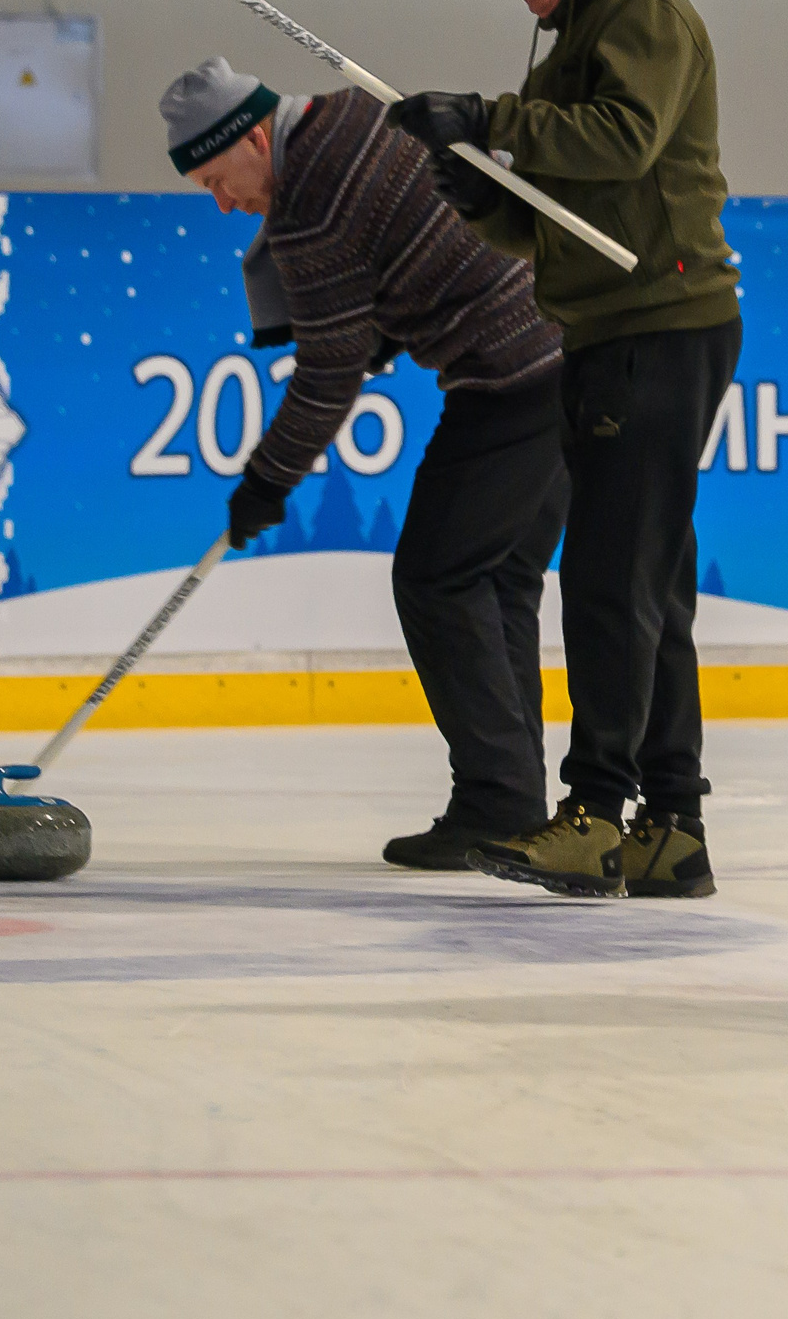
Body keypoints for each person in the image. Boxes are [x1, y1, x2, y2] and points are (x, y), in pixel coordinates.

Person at [384, 0, 740, 900]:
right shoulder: (574, 36)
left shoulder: (638, 10)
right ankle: (671, 827)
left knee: (608, 582)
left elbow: (623, 142)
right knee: (649, 584)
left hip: (657, 326)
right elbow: (551, 215)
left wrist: (490, 119)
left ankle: (594, 814)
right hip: (610, 327)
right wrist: (476, 189)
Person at [162, 58, 568, 868]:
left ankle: (499, 800)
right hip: (570, 348)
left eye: (216, 180)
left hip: (512, 376)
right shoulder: (354, 113)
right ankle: (513, 799)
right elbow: (407, 240)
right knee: (495, 580)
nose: (223, 203)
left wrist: (265, 482)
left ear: (253, 138)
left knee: (436, 576)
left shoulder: (307, 203)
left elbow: (328, 376)